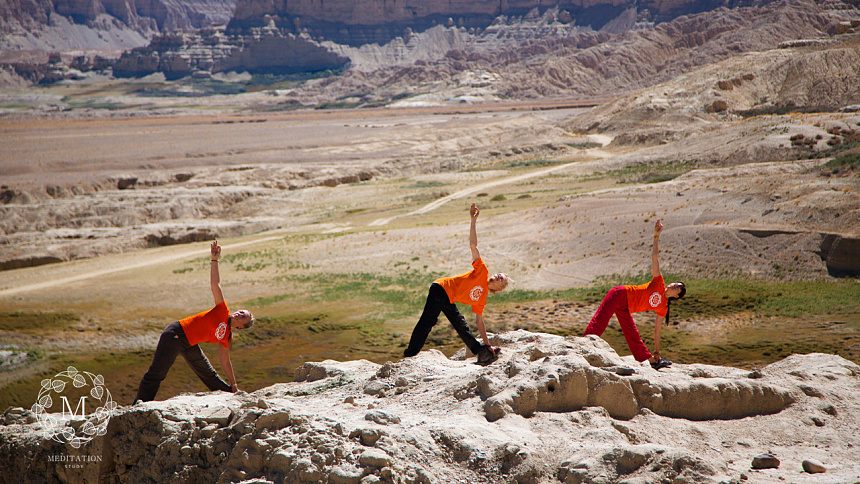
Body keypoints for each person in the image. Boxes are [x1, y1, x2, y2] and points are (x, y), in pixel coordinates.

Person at [134, 240, 255, 402]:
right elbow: (215, 284)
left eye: (243, 317)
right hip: (176, 334)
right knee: (157, 373)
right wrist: (214, 259)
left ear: (241, 327)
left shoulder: (227, 337)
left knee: (207, 373)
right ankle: (139, 405)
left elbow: (225, 362)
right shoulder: (222, 310)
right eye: (241, 312)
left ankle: (231, 397)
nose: (239, 314)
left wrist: (234, 384)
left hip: (189, 343)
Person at [404, 203, 509, 363]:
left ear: (499, 288)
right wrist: (473, 221)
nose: (497, 275)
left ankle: (481, 349)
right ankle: (410, 355)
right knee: (428, 321)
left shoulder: (482, 299)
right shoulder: (483, 271)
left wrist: (488, 344)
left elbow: (479, 322)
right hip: (441, 288)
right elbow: (473, 245)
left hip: (448, 297)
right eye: (498, 274)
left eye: (500, 278)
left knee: (461, 324)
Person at [583, 219, 686, 370]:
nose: (674, 284)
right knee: (601, 320)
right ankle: (583, 344)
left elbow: (657, 330)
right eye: (676, 283)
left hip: (626, 307)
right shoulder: (659, 283)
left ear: (676, 296)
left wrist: (657, 352)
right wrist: (656, 236)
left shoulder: (663, 307)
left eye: (678, 287)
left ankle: (652, 360)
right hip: (620, 294)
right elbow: (655, 257)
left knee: (633, 334)